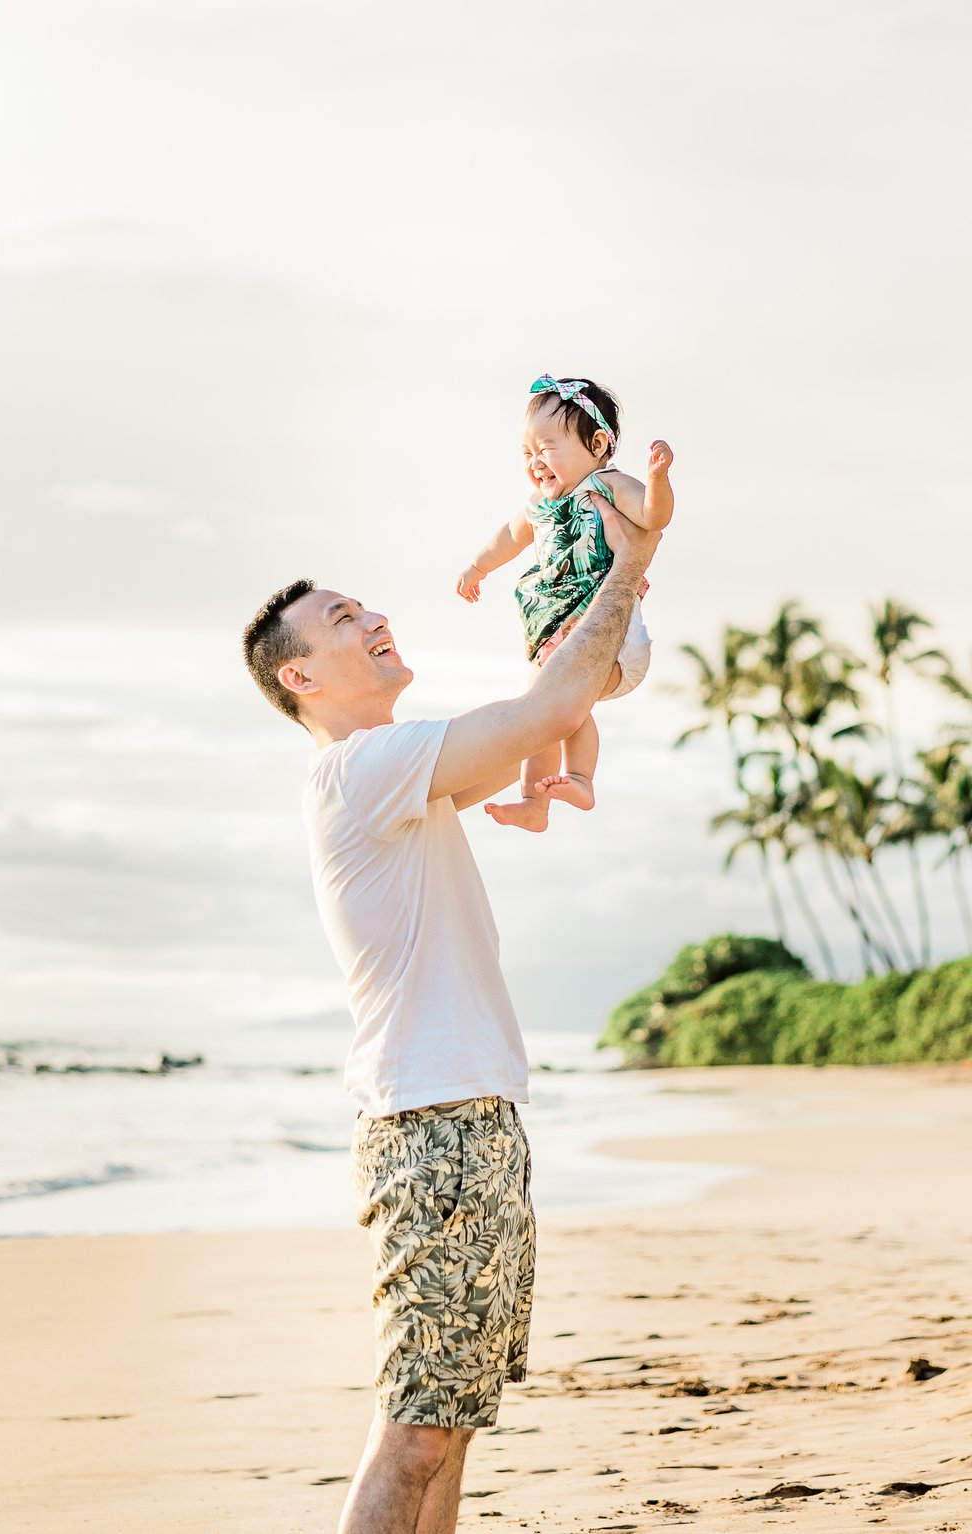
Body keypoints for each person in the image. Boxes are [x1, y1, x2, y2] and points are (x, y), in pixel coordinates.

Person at [241, 502, 660, 1534]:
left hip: (467, 1123)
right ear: (302, 675)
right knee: (415, 1430)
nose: (371, 616)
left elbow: (552, 705)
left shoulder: (397, 779)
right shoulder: (360, 771)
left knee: (452, 1420)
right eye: (341, 617)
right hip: (429, 1131)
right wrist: (629, 565)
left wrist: (599, 601)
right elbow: (546, 707)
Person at [456, 375, 674, 832]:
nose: (535, 461)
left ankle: (580, 776)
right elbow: (508, 538)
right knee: (541, 710)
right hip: (557, 634)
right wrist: (478, 567)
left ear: (597, 444)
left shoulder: (609, 486)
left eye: (547, 447)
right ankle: (536, 804)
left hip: (612, 639)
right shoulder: (538, 505)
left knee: (556, 703)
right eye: (527, 453)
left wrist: (656, 480)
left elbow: (655, 517)